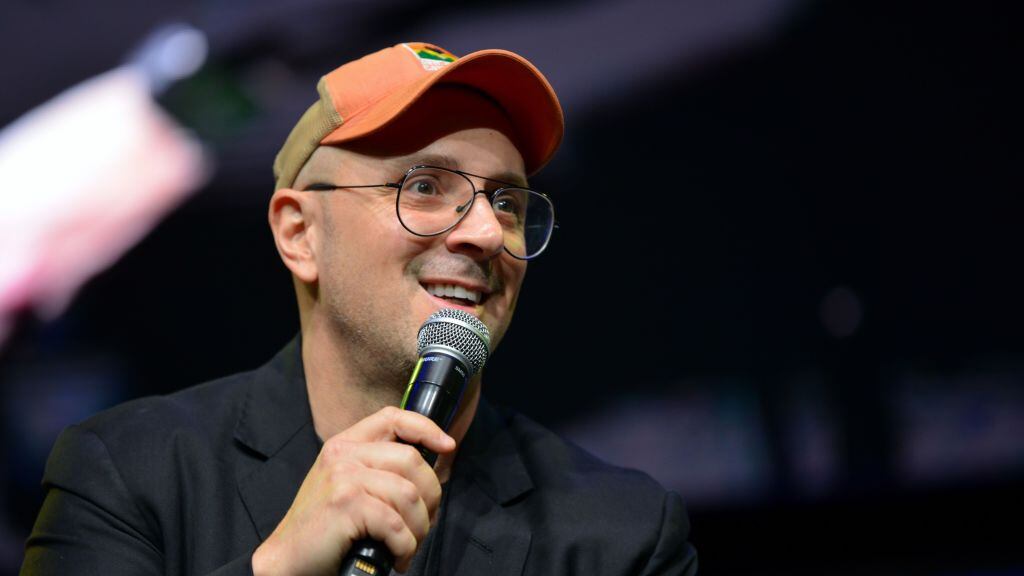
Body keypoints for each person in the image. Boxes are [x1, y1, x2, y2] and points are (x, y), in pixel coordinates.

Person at [21, 42, 697, 575]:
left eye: (508, 202)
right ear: (300, 234)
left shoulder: (619, 531)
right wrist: (278, 570)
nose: (487, 233)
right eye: (427, 185)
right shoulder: (128, 472)